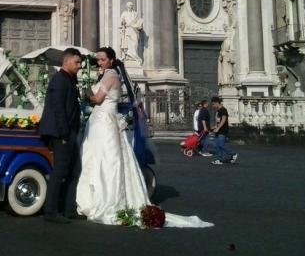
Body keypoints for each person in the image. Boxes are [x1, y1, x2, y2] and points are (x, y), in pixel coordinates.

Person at [76, 47, 213, 228]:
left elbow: (98, 99)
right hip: (100, 122)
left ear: (111, 60)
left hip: (104, 123)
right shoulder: (106, 76)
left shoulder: (111, 76)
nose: (99, 63)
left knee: (106, 161)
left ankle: (105, 199)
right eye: (98, 60)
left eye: (102, 59)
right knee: (99, 159)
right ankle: (95, 197)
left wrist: (86, 92)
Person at [38, 47, 83, 224]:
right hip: (61, 133)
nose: (80, 66)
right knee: (60, 171)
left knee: (74, 171)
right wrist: (64, 134)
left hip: (70, 131)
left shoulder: (69, 80)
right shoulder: (60, 80)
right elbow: (58, 109)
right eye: (77, 62)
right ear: (66, 62)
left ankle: (69, 209)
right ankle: (51, 211)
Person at [210, 96, 237, 165]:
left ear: (217, 103)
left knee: (221, 144)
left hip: (222, 130)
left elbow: (224, 119)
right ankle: (219, 159)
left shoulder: (223, 110)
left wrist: (218, 128)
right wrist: (215, 126)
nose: (213, 106)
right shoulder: (218, 111)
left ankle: (233, 154)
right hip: (218, 130)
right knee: (216, 145)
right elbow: (219, 121)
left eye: (213, 104)